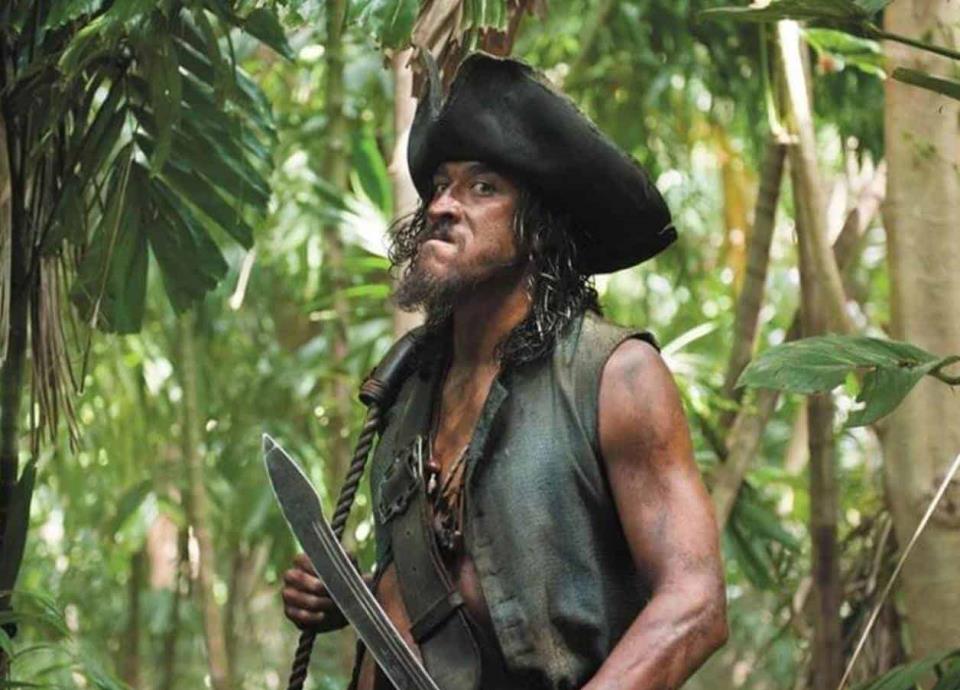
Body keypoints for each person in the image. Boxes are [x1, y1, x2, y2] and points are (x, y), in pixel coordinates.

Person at [282, 53, 727, 690]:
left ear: (538, 228)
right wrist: (354, 595)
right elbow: (456, 582)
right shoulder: (407, 388)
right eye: (440, 185)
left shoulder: (615, 376)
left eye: (482, 188)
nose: (443, 205)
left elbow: (695, 604)